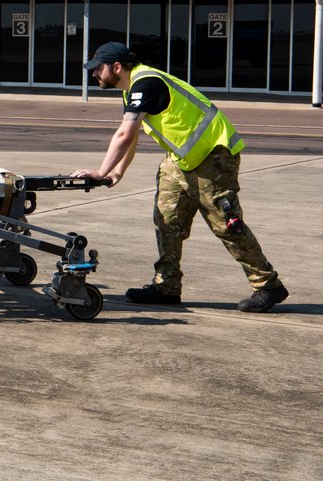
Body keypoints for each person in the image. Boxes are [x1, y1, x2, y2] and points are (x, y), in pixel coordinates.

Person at [71, 42, 288, 313]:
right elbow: (133, 135)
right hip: (180, 161)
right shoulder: (130, 91)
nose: (94, 75)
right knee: (167, 219)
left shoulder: (146, 83)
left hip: (213, 157)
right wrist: (117, 171)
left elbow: (124, 135)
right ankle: (167, 286)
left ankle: (268, 284)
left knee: (226, 225)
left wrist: (100, 171)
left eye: (98, 69)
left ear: (116, 67)